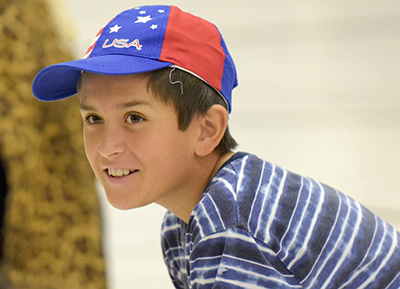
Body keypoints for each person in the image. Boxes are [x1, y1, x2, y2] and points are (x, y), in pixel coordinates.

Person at [32, 5, 400, 289]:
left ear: (207, 129)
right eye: (93, 119)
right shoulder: (185, 226)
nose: (107, 148)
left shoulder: (233, 228)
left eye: (134, 118)